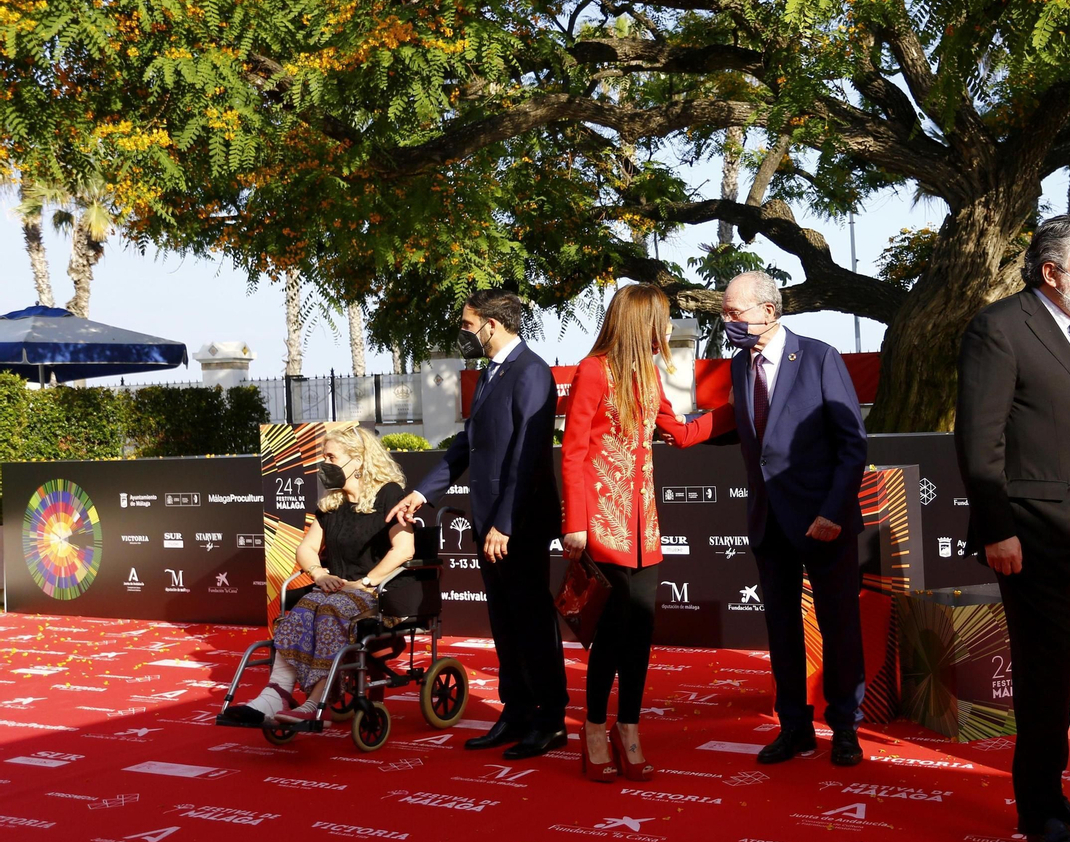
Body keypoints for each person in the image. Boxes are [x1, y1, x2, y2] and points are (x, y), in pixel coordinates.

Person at [954, 213, 1070, 842]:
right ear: (1052, 271)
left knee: (1059, 670)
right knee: (1042, 674)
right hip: (1029, 533)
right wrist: (997, 527)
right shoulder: (1000, 328)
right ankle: (1040, 812)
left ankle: (1053, 799)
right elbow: (979, 440)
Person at [560, 285, 734, 782]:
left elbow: (680, 433)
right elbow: (572, 451)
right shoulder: (593, 370)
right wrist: (575, 524)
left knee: (640, 634)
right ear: (642, 322)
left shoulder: (649, 374)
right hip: (603, 525)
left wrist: (736, 409)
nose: (668, 327)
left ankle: (629, 728)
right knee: (612, 633)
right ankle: (595, 728)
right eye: (663, 318)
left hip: (645, 527)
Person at [387, 288, 567, 761]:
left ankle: (550, 719)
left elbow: (528, 456)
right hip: (489, 522)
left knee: (532, 622)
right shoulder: (491, 372)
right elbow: (468, 445)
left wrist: (505, 523)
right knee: (505, 623)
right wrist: (422, 493)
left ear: (492, 324)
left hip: (518, 524)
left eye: (468, 324)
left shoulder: (531, 371)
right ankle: (517, 711)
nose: (463, 333)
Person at [721, 271, 869, 768]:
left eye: (734, 312)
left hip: (823, 521)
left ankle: (845, 728)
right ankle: (794, 728)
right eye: (724, 313)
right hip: (769, 521)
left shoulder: (819, 357)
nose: (727, 321)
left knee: (838, 626)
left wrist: (832, 511)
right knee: (782, 630)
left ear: (768, 311)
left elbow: (852, 443)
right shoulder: (739, 366)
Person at [224, 426, 414, 724]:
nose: (324, 464)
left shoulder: (389, 494)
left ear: (358, 459)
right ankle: (275, 695)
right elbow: (307, 548)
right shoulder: (333, 503)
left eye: (331, 457)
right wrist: (318, 573)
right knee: (300, 612)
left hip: (380, 592)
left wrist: (365, 582)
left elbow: (404, 549)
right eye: (323, 457)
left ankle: (313, 705)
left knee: (330, 611)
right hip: (337, 591)